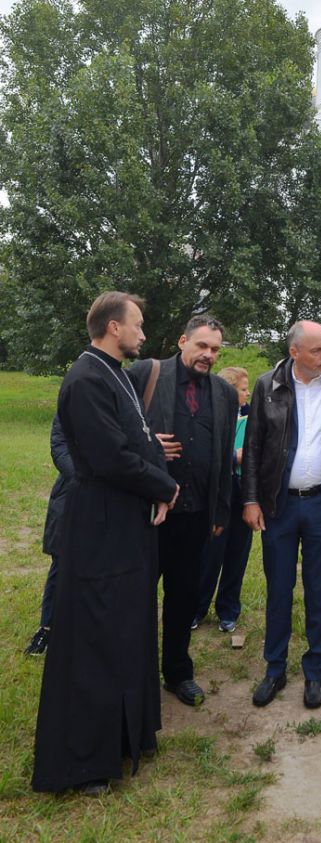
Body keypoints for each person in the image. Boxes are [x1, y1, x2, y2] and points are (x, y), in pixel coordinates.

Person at [32, 292, 179, 795]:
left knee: (125, 629)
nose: (143, 333)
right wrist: (164, 485)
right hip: (98, 529)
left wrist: (157, 472)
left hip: (123, 525)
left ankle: (124, 735)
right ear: (113, 328)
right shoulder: (86, 378)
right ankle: (85, 761)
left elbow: (139, 441)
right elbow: (111, 458)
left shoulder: (111, 371)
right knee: (96, 637)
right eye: (137, 325)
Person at [243, 320, 321, 710]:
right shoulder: (268, 386)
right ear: (295, 352)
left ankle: (315, 672)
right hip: (278, 505)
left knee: (318, 589)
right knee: (278, 587)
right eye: (317, 350)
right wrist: (251, 500)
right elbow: (254, 448)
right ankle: (274, 668)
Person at [129, 316, 237, 706]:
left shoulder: (224, 393)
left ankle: (177, 673)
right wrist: (148, 444)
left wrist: (221, 513)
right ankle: (133, 675)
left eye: (215, 350)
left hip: (195, 518)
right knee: (137, 598)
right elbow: (115, 429)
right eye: (202, 346)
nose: (208, 355)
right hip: (146, 515)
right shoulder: (146, 374)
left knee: (182, 598)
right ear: (182, 341)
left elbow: (225, 457)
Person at [193, 366, 252, 632]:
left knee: (237, 554)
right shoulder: (211, 417)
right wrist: (234, 457)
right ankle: (197, 607)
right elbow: (204, 454)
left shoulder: (252, 419)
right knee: (209, 554)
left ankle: (228, 609)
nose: (247, 393)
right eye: (242, 389)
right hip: (218, 493)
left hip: (244, 493)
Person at [25, 415, 78, 656]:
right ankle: (47, 627)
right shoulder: (71, 399)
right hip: (72, 493)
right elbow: (59, 446)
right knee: (61, 562)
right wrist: (84, 480)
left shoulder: (115, 399)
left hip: (108, 496)